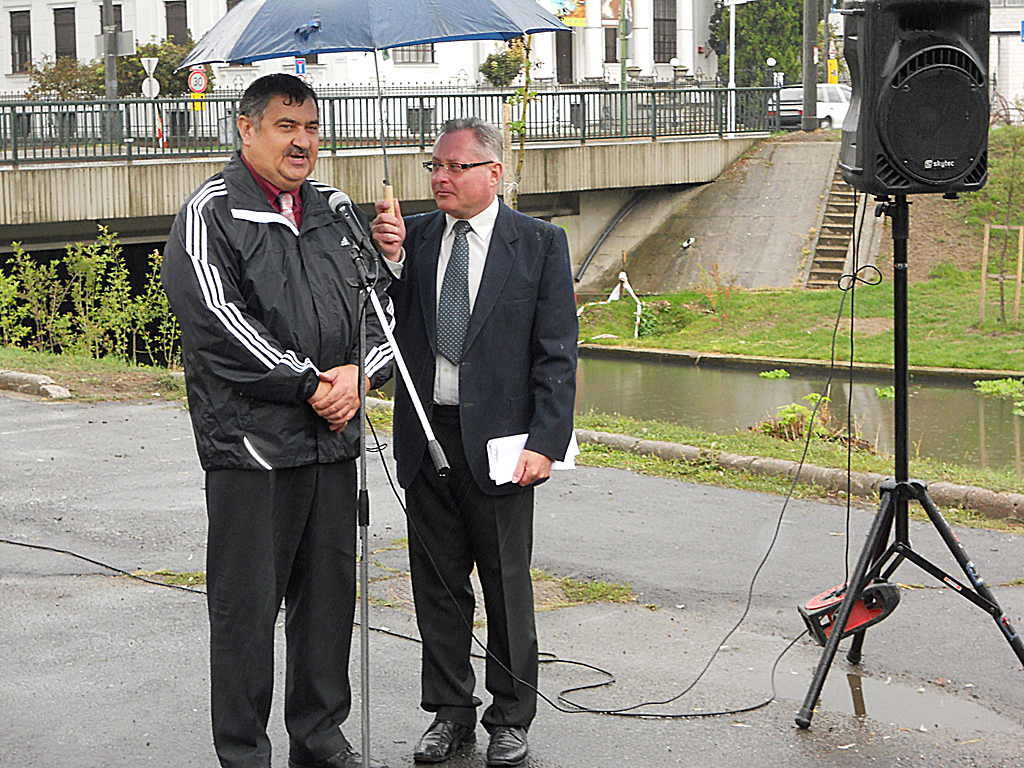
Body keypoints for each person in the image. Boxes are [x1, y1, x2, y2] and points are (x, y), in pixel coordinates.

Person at [161, 73, 393, 768]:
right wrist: (308, 383)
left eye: (312, 127)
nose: (302, 142)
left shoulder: (333, 207)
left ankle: (320, 743)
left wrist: (360, 374)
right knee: (246, 616)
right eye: (286, 126)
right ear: (247, 129)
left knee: (328, 609)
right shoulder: (210, 212)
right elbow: (216, 323)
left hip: (332, 445)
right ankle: (244, 754)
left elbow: (379, 308)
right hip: (253, 451)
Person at [370, 117, 578, 766]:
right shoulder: (415, 238)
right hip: (426, 435)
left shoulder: (540, 244)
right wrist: (390, 259)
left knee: (506, 584)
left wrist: (546, 441)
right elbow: (383, 314)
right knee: (437, 586)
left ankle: (511, 718)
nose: (440, 177)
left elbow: (557, 353)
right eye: (434, 166)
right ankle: (449, 714)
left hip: (503, 445)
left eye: (456, 167)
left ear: (494, 172)